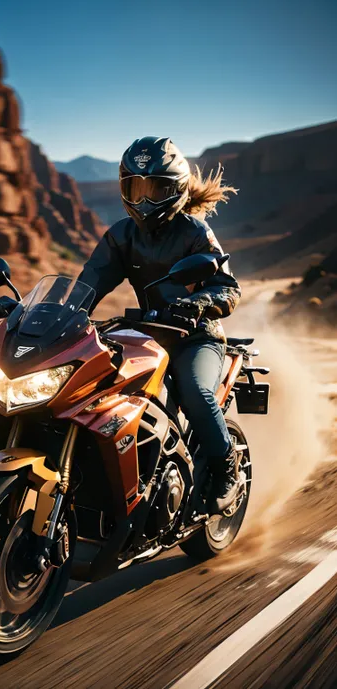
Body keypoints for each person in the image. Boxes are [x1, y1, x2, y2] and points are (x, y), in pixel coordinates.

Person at [78, 136, 241, 514]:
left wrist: (196, 305)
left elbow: (227, 289)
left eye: (156, 190)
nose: (145, 200)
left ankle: (226, 468)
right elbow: (91, 280)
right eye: (137, 188)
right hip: (145, 337)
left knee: (196, 393)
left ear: (176, 190)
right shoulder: (121, 235)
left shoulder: (195, 233)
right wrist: (62, 311)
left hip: (196, 338)